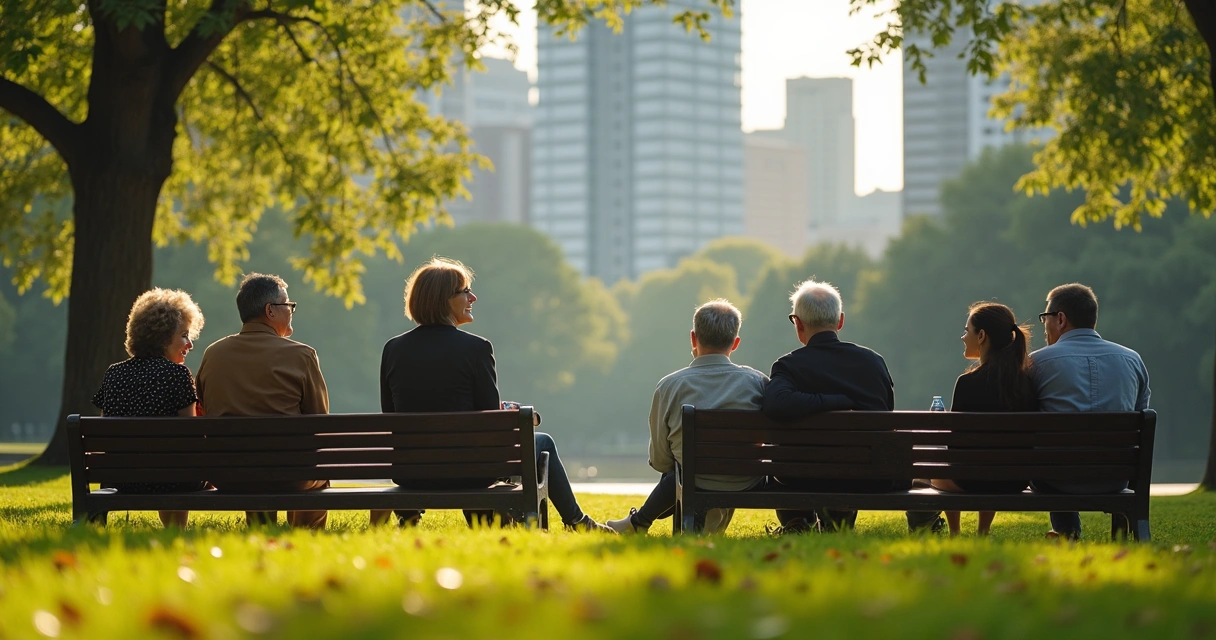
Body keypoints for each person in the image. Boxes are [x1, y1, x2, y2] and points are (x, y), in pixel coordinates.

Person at [379, 257, 612, 532]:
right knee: (543, 442)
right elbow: (491, 424)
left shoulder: (393, 350)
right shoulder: (476, 348)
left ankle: (499, 522)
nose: (473, 297)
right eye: (465, 291)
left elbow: (390, 413)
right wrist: (512, 412)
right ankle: (577, 522)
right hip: (470, 473)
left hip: (413, 474)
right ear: (443, 299)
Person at [761, 279, 941, 534]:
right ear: (840, 321)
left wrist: (829, 402)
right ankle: (838, 523)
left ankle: (798, 522)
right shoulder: (873, 362)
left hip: (802, 476)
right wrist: (841, 401)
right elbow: (885, 413)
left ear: (798, 323)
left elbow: (775, 404)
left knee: (790, 464)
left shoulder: (788, 366)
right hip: (870, 477)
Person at [604, 299, 779, 535]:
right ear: (735, 343)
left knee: (679, 470)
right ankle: (645, 522)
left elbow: (660, 460)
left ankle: (640, 523)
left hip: (694, 481)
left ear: (693, 338)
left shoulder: (669, 386)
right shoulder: (758, 382)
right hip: (745, 481)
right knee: (688, 469)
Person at [196, 273, 330, 529]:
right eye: (287, 305)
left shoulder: (213, 354)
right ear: (270, 311)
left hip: (229, 475)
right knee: (315, 474)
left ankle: (260, 529)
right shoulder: (302, 355)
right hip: (290, 476)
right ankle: (305, 537)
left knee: (252, 465)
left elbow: (203, 409)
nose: (291, 311)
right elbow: (319, 422)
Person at [1030, 283, 1151, 540]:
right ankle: (1114, 535)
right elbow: (1141, 413)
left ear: (1060, 319)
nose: (1045, 326)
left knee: (1054, 455)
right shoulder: (1132, 360)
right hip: (1116, 478)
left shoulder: (1037, 363)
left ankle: (1068, 532)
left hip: (1056, 479)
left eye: (1046, 318)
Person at [92, 288, 206, 528]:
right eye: (184, 335)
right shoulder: (177, 375)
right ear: (164, 337)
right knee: (176, 467)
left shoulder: (114, 374)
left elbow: (106, 433)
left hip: (121, 479)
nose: (190, 344)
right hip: (172, 480)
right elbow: (190, 440)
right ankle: (175, 531)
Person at [931, 302, 1038, 536]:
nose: (962, 337)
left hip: (969, 481)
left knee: (939, 468)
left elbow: (954, 447)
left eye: (967, 330)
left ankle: (955, 532)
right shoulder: (1025, 383)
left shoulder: (967, 382)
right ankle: (983, 531)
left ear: (981, 336)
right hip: (1014, 481)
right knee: (991, 466)